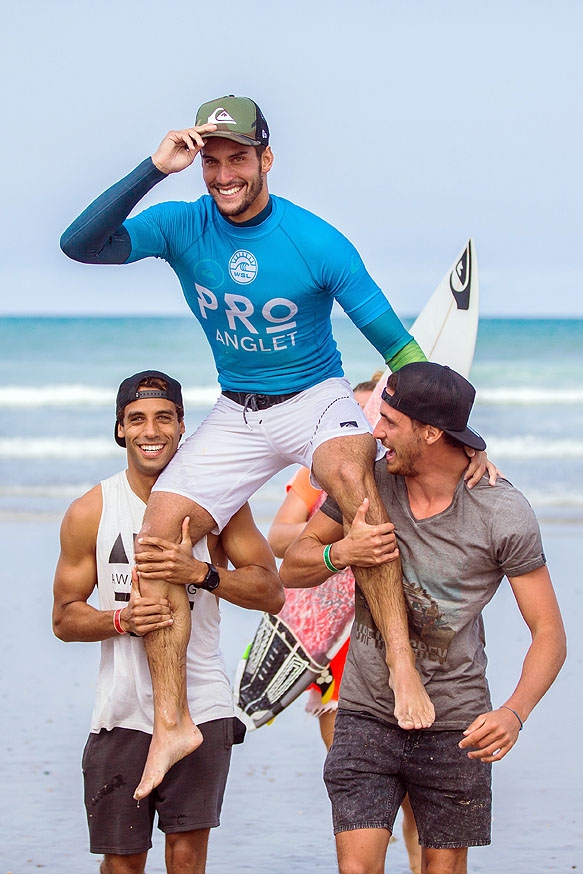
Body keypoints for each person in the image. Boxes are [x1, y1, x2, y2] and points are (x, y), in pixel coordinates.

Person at [60, 94, 490, 798]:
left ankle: (402, 666)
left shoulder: (315, 242)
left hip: (314, 399)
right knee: (158, 531)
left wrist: (457, 436)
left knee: (353, 481)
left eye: (237, 159)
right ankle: (173, 721)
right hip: (236, 409)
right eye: (211, 162)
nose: (223, 174)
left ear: (265, 159)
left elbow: (400, 351)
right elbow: (80, 246)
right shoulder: (179, 224)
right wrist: (151, 169)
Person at [280, 362, 566, 874]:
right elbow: (294, 566)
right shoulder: (367, 485)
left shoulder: (502, 513)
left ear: (431, 432)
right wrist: (343, 552)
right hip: (366, 709)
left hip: (456, 718)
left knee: (441, 868)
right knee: (357, 867)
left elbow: (549, 633)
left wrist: (514, 713)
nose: (377, 432)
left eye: (389, 421)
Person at [52, 370, 284, 874]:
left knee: (186, 858)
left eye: (164, 417)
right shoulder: (91, 511)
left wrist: (199, 573)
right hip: (121, 711)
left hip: (202, 706)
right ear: (120, 430)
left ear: (183, 427)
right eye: (137, 419)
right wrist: (122, 619)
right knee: (122, 863)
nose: (150, 430)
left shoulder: (219, 506)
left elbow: (271, 591)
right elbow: (65, 618)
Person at [268, 375, 422, 874]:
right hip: (332, 626)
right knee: (357, 777)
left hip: (401, 621)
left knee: (418, 793)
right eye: (354, 417)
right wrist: (338, 543)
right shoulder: (320, 473)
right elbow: (278, 537)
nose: (365, 430)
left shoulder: (403, 478)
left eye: (373, 418)